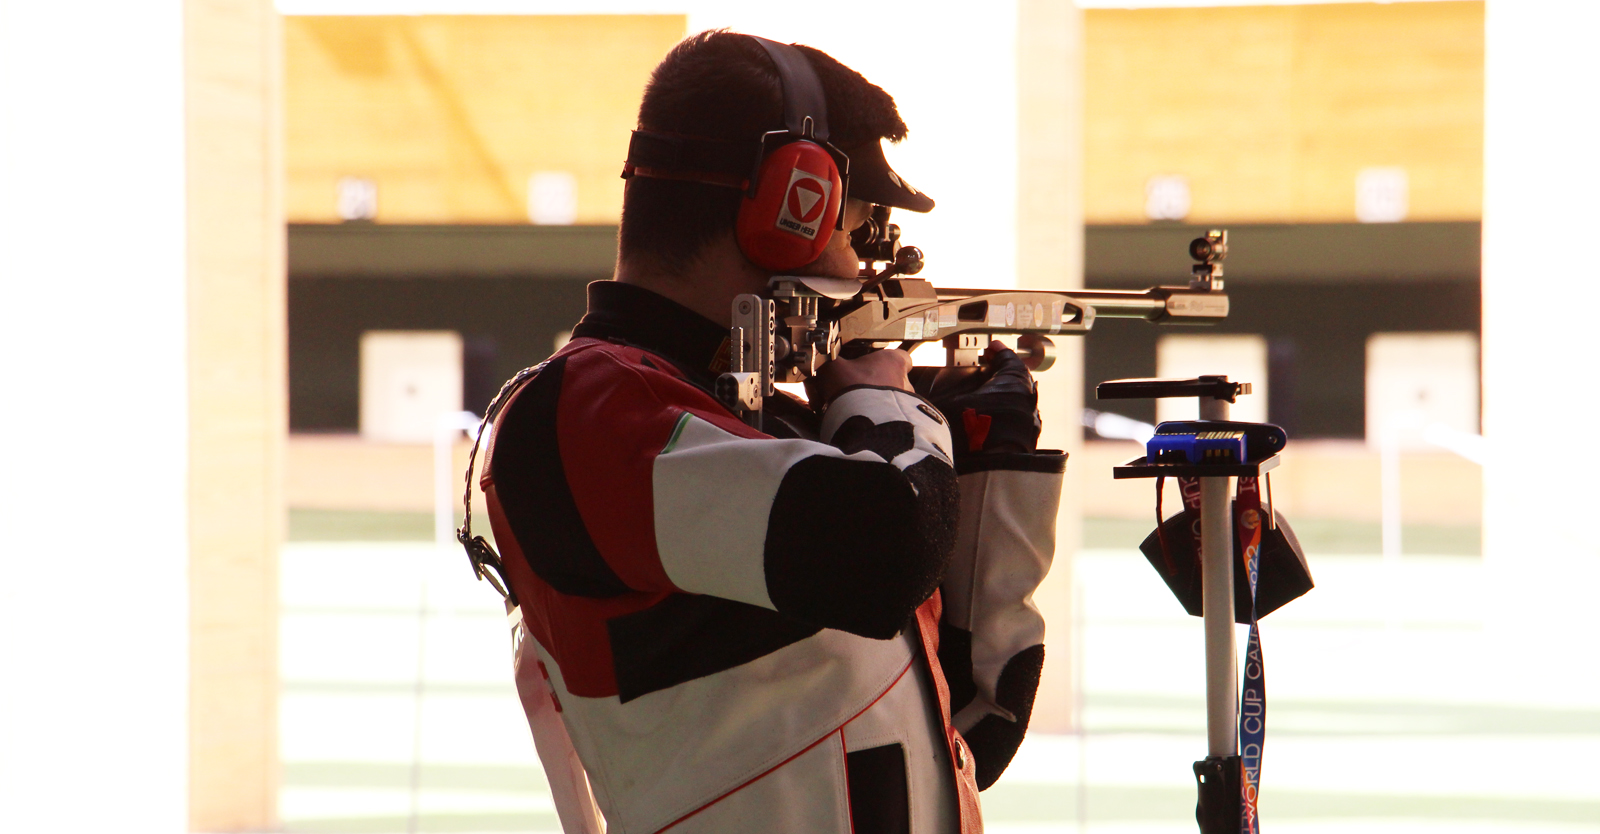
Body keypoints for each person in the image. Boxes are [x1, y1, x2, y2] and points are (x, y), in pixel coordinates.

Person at [470, 31, 1065, 834]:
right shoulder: (584, 410)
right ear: (793, 206)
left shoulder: (772, 438)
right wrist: (891, 410)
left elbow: (968, 735)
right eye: (861, 233)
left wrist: (989, 475)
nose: (863, 273)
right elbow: (885, 551)